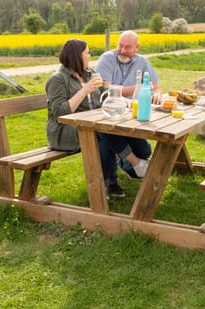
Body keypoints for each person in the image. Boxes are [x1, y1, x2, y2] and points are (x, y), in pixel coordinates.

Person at [45, 38, 149, 199]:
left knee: (140, 146)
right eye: (87, 53)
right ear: (77, 56)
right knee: (103, 134)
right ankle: (116, 178)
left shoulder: (89, 74)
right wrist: (84, 91)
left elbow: (105, 93)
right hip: (65, 131)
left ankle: (130, 164)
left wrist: (124, 101)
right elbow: (60, 112)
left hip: (92, 125)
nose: (90, 56)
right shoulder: (57, 79)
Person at [95, 30, 160, 183]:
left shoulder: (143, 62)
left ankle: (127, 163)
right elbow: (108, 89)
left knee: (145, 150)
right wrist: (139, 87)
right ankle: (111, 182)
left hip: (133, 116)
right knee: (106, 136)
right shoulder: (107, 59)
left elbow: (155, 86)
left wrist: (156, 93)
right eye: (120, 46)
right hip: (111, 113)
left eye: (128, 47)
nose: (122, 50)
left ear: (137, 47)